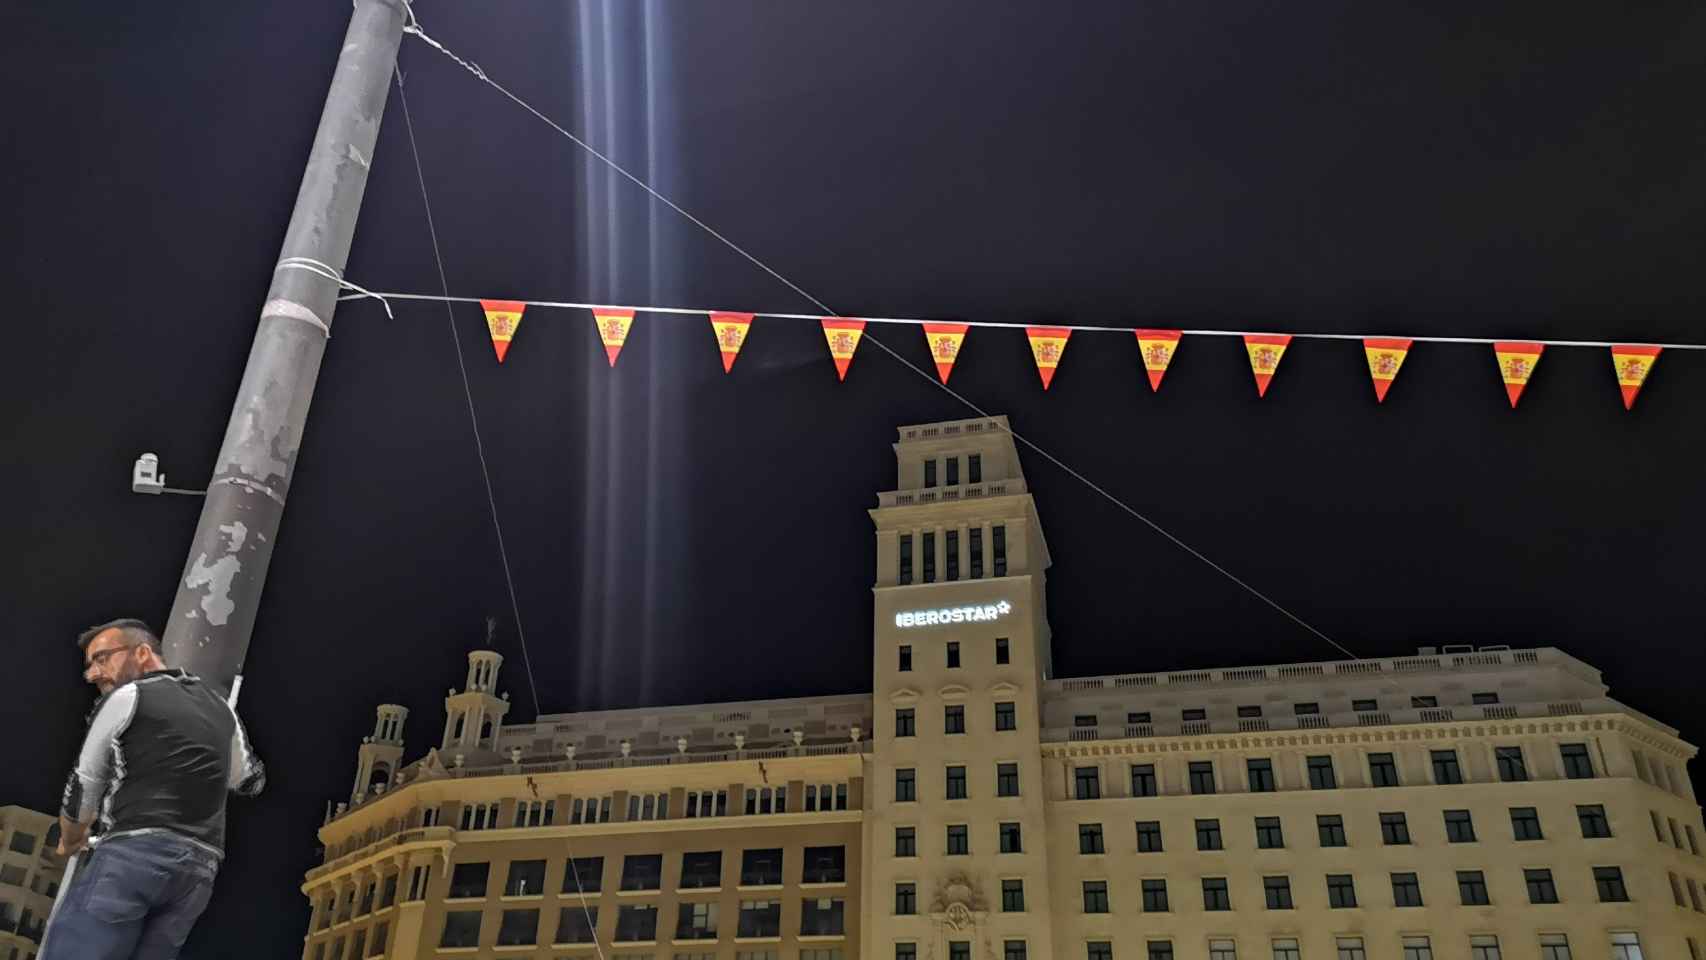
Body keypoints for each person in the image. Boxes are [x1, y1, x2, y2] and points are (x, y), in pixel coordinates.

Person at [39, 618, 265, 960]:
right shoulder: (222, 710)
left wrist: (71, 838)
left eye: (103, 659)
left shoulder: (128, 697)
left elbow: (84, 784)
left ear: (143, 653)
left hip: (133, 855)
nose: (93, 674)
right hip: (197, 872)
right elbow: (248, 780)